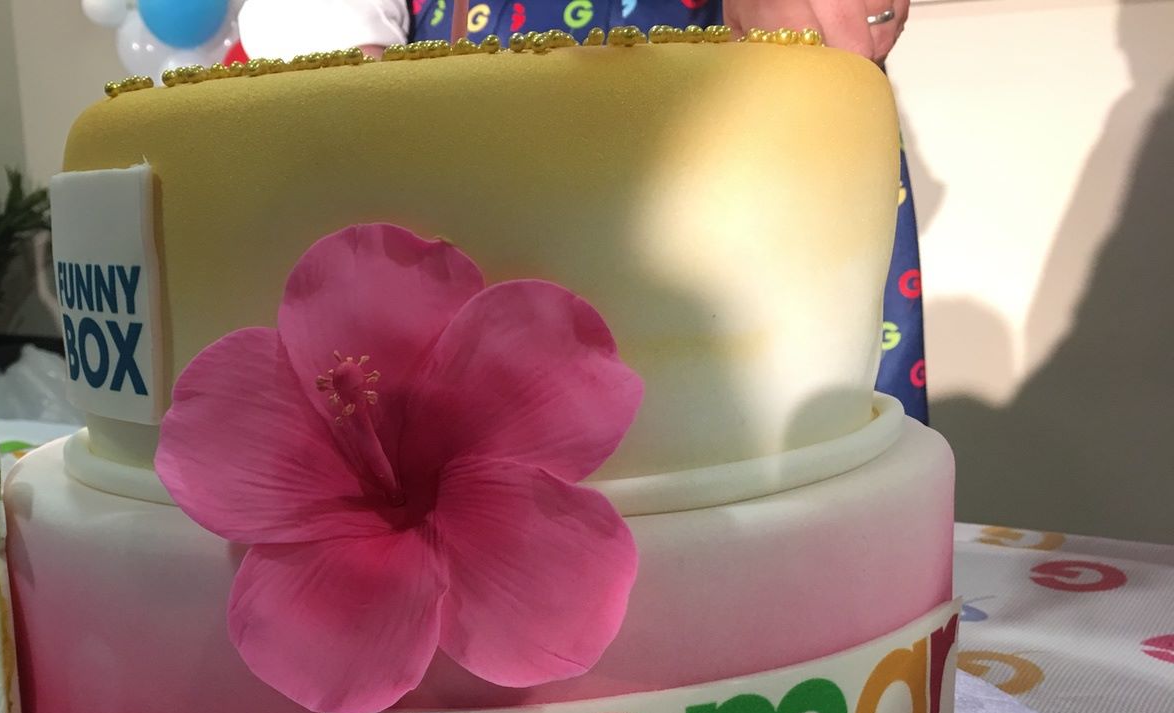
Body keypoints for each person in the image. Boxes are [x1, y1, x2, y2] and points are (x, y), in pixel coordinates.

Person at [237, 0, 929, 425]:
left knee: (794, 508)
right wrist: (357, 106)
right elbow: (326, 39)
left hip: (739, 115)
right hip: (459, 119)